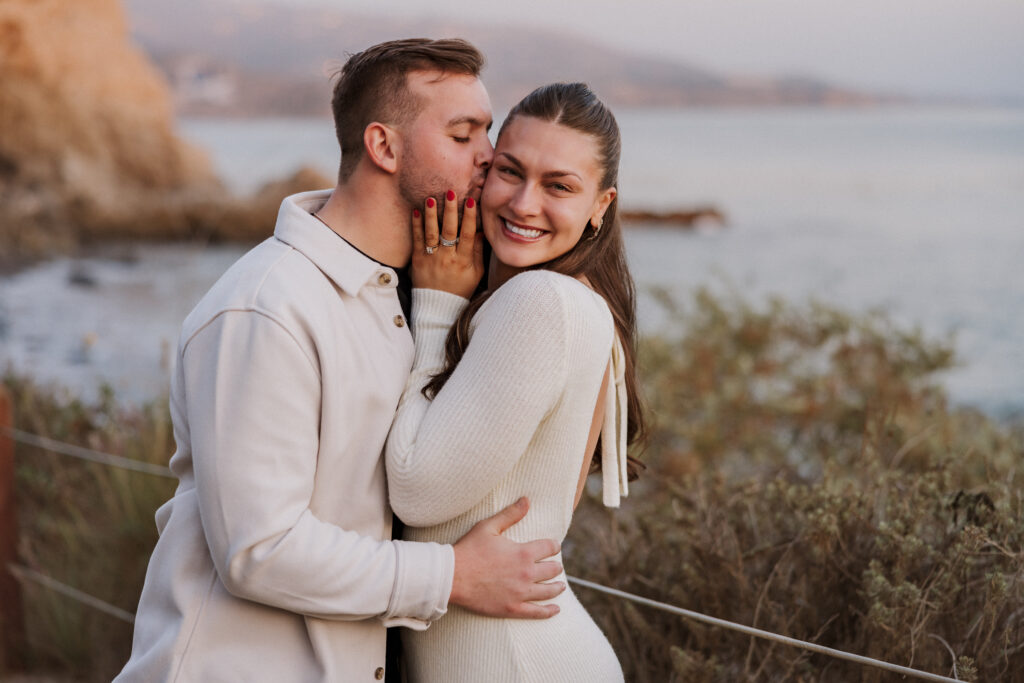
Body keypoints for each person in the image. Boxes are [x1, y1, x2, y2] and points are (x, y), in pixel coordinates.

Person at [115, 39, 567, 682]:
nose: (489, 156)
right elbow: (259, 549)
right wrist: (455, 575)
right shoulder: (267, 308)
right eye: (463, 133)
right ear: (383, 147)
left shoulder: (418, 293)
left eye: (486, 131)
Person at [386, 82, 646, 681]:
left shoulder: (541, 301)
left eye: (559, 186)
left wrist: (434, 306)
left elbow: (415, 492)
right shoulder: (574, 301)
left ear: (601, 205)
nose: (525, 204)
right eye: (511, 171)